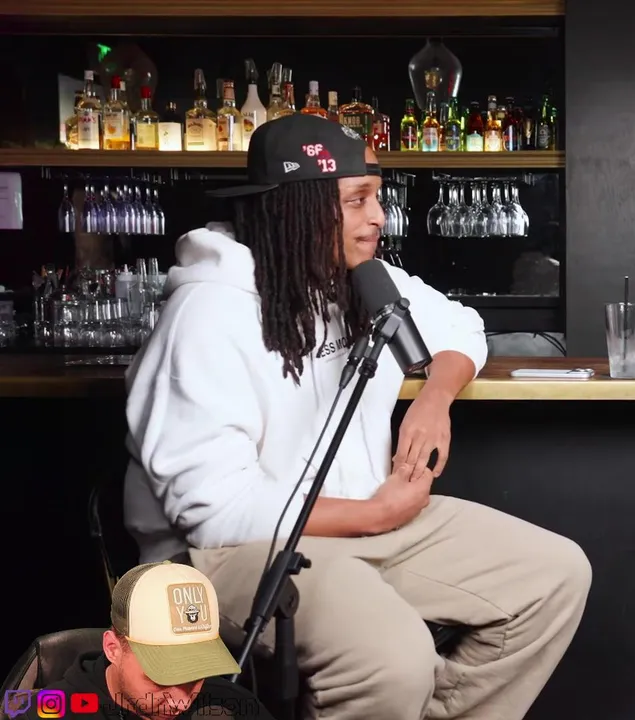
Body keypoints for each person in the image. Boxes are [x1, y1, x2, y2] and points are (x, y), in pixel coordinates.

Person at [122, 114, 592, 720]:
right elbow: (214, 512)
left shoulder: (359, 281)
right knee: (394, 660)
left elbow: (461, 326)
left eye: (377, 197)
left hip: (363, 522)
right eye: (357, 200)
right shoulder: (207, 316)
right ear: (296, 211)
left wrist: (434, 398)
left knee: (553, 576)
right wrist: (377, 514)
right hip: (232, 553)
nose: (379, 217)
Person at [13, 561, 273, 719]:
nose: (181, 702)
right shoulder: (49, 712)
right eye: (163, 679)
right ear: (113, 648)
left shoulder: (234, 706)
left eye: (195, 677)